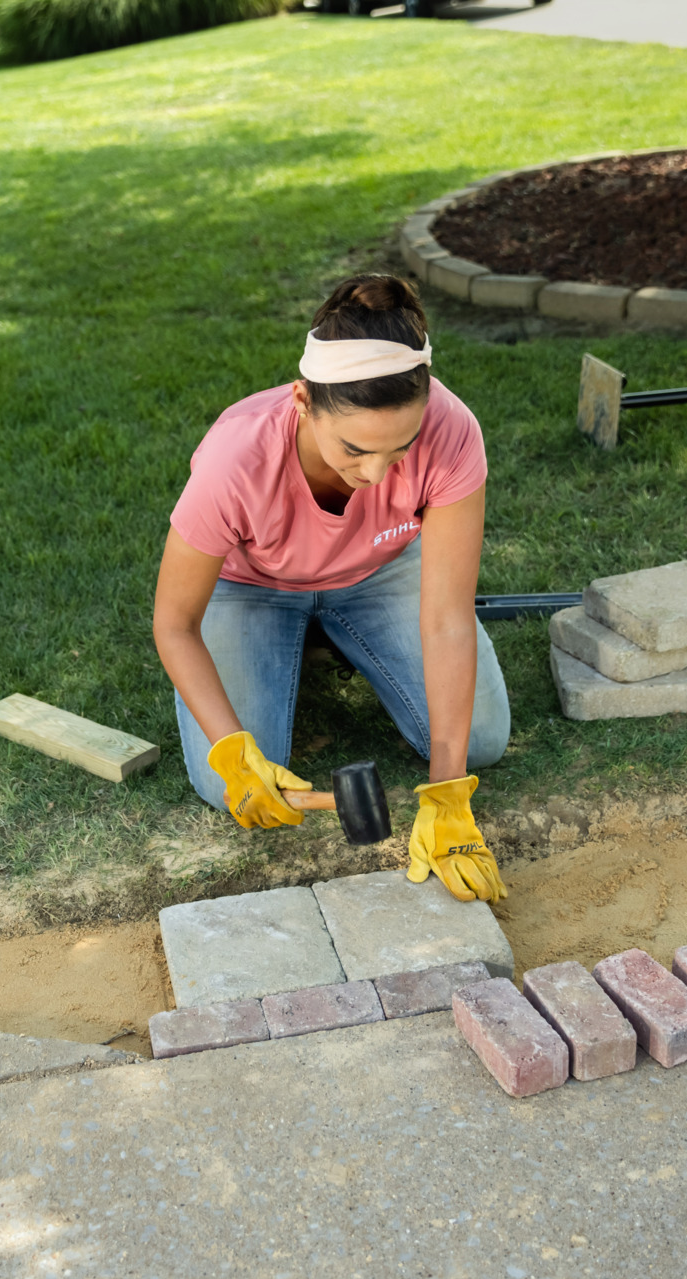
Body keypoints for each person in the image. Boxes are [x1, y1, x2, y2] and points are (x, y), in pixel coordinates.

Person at [151, 273, 509, 902]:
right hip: (251, 586)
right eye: (354, 448)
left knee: (478, 742)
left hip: (380, 570)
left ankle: (333, 634)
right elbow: (174, 624)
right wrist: (235, 753)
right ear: (302, 401)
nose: (374, 473)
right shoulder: (236, 459)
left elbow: (447, 617)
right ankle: (308, 636)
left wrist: (449, 793)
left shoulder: (452, 432)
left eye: (399, 449)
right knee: (220, 787)